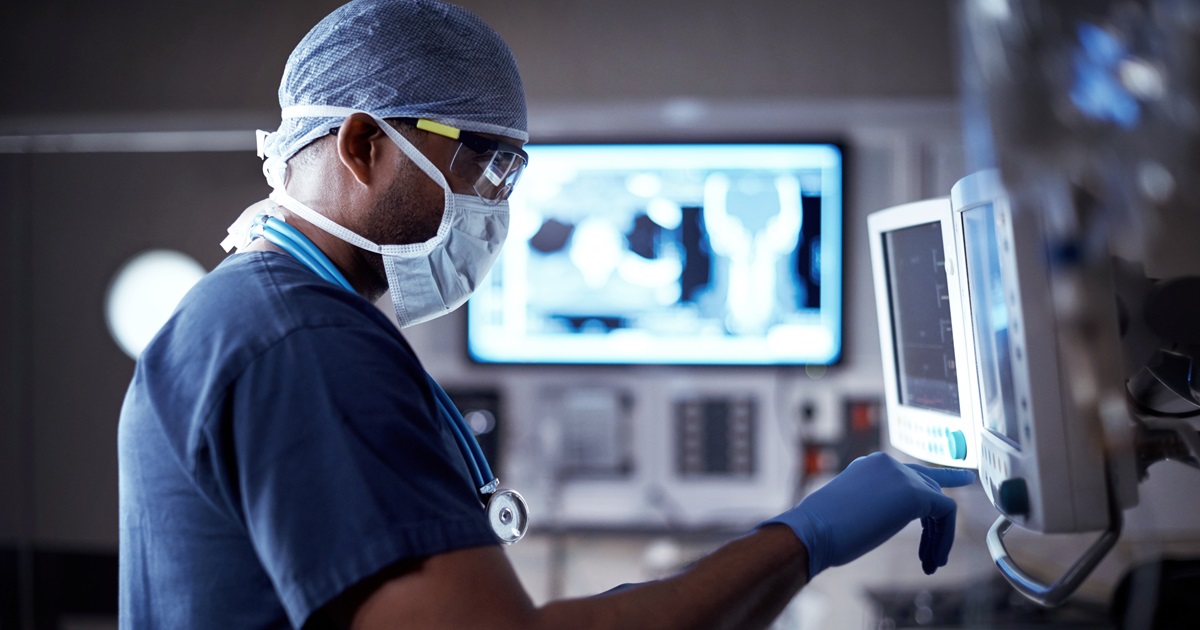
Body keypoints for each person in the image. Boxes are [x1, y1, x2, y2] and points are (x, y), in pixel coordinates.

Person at [117, 1, 975, 628]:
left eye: (514, 175)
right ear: (363, 143)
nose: (498, 208)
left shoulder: (245, 315)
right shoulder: (302, 342)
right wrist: (808, 537)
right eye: (485, 166)